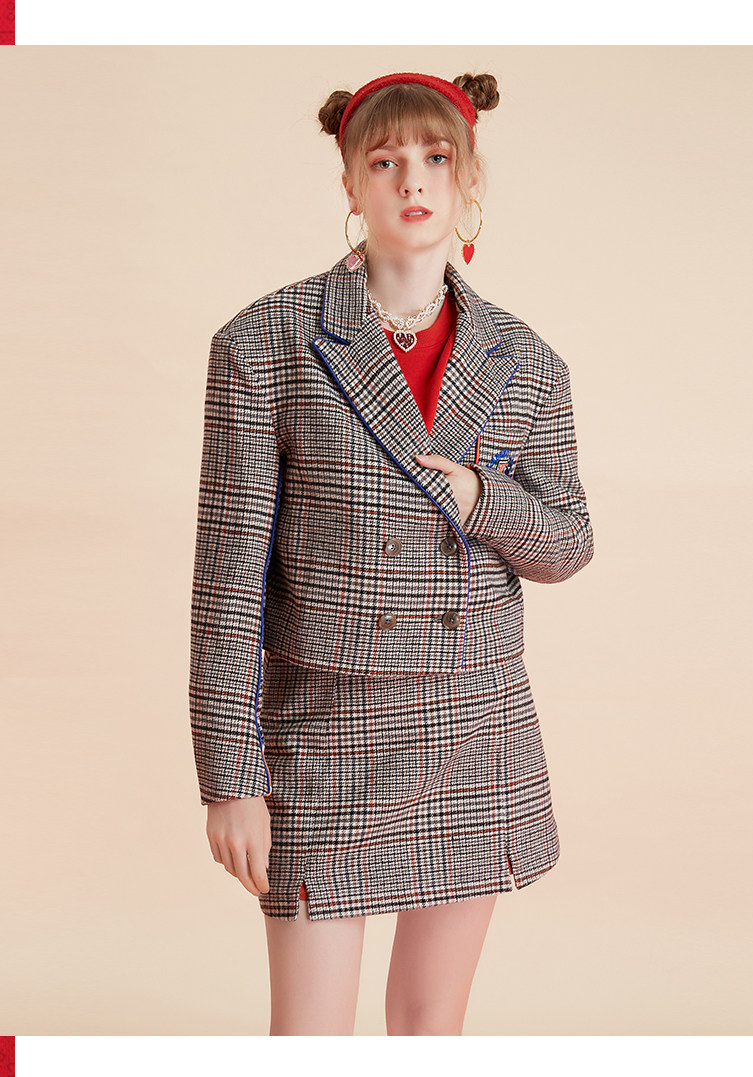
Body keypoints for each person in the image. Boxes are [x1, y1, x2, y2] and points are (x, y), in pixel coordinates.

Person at [189, 70, 594, 1036]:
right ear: (350, 184)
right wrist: (230, 776)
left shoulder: (527, 361)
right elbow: (227, 585)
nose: (413, 180)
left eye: (435, 158)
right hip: (325, 728)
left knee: (429, 1027)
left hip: (474, 724)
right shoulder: (265, 343)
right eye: (385, 161)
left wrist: (484, 499)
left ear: (468, 179)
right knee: (309, 1036)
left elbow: (570, 541)